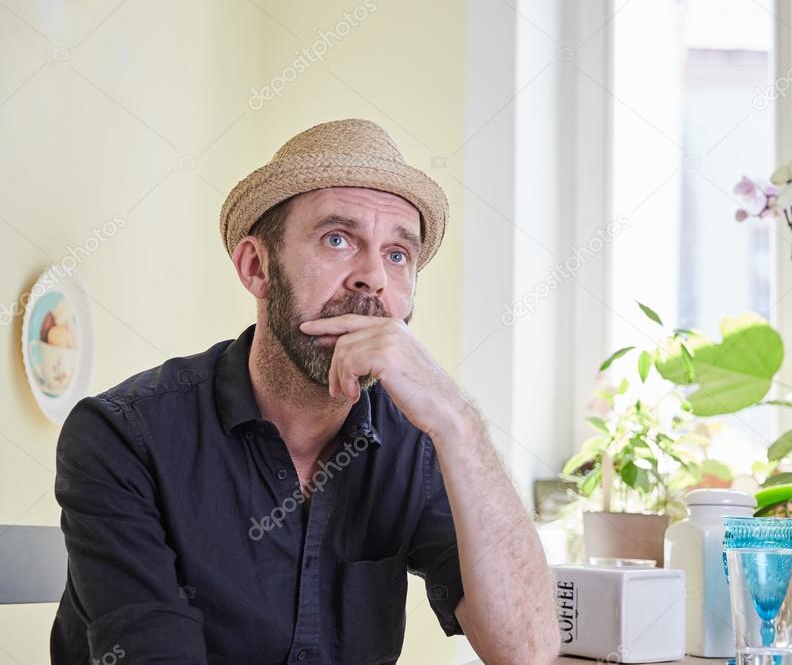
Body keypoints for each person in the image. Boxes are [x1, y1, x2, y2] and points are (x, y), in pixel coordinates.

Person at [50, 119, 560, 664]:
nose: (373, 279)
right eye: (338, 239)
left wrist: (459, 422)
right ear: (256, 267)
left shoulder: (417, 441)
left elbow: (527, 651)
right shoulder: (122, 437)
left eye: (398, 255)